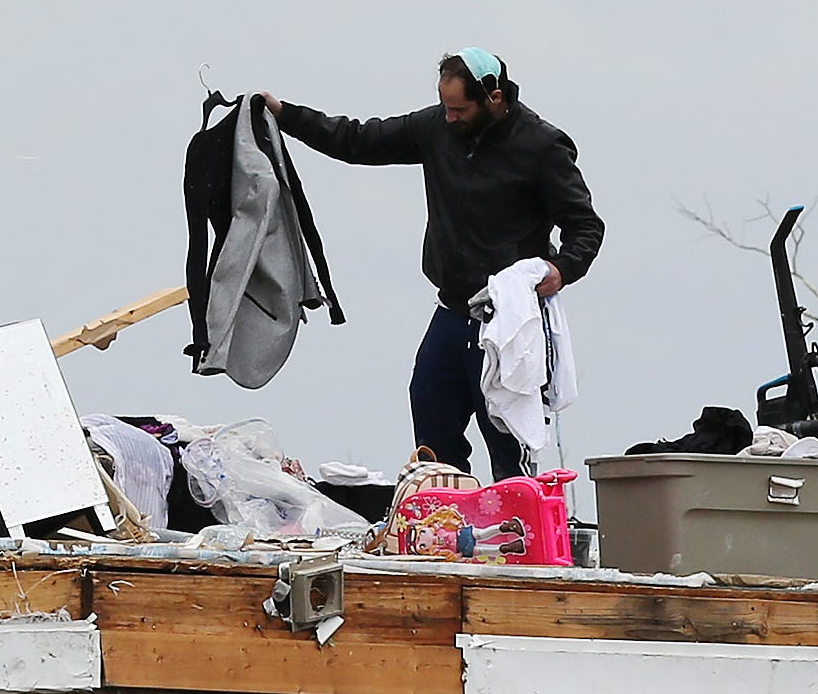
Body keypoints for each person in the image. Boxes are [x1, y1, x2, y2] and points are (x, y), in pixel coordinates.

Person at [255, 51, 603, 478]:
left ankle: (516, 537)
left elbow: (585, 226)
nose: (450, 118)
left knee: (509, 454)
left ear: (493, 97)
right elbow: (358, 139)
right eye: (445, 106)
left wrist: (562, 269)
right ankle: (449, 533)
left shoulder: (543, 145)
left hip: (509, 324)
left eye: (460, 109)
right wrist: (284, 114)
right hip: (452, 313)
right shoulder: (436, 127)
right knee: (432, 443)